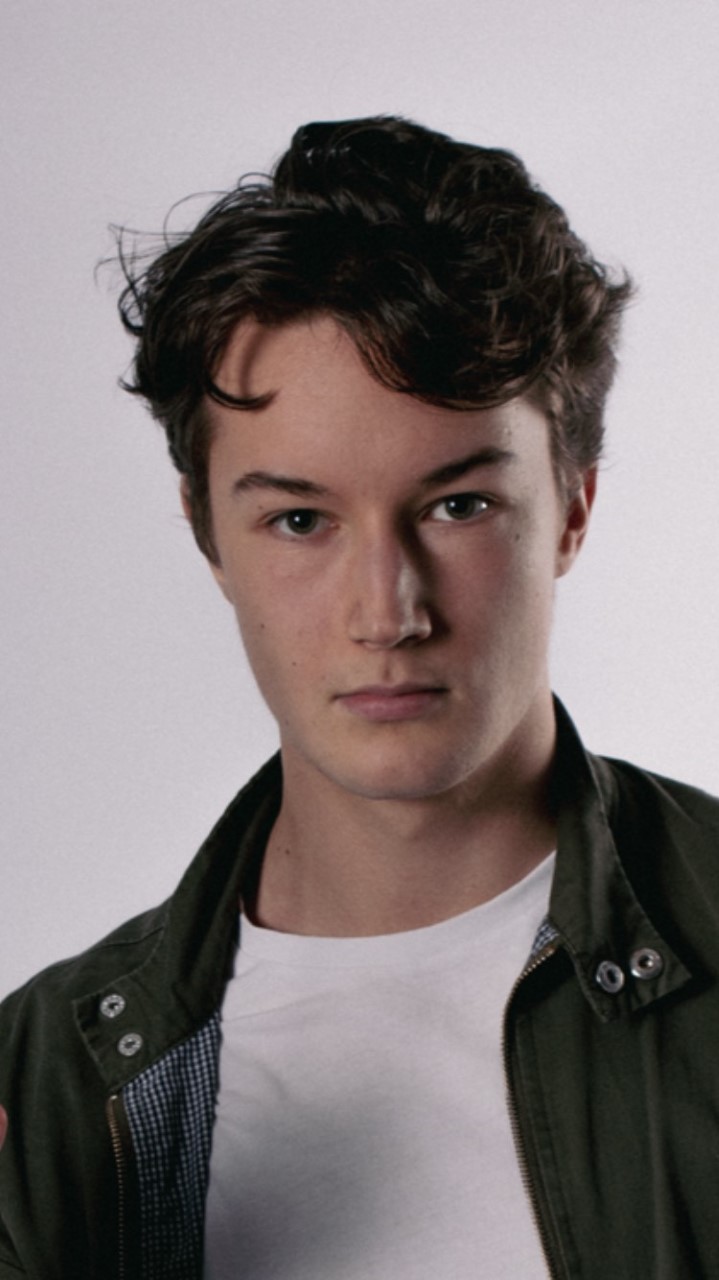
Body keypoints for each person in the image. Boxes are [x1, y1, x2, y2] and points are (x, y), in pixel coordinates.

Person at [1, 115, 718, 1280]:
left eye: (457, 506)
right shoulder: (48, 1086)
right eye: (299, 519)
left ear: (572, 508)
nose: (385, 611)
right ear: (207, 534)